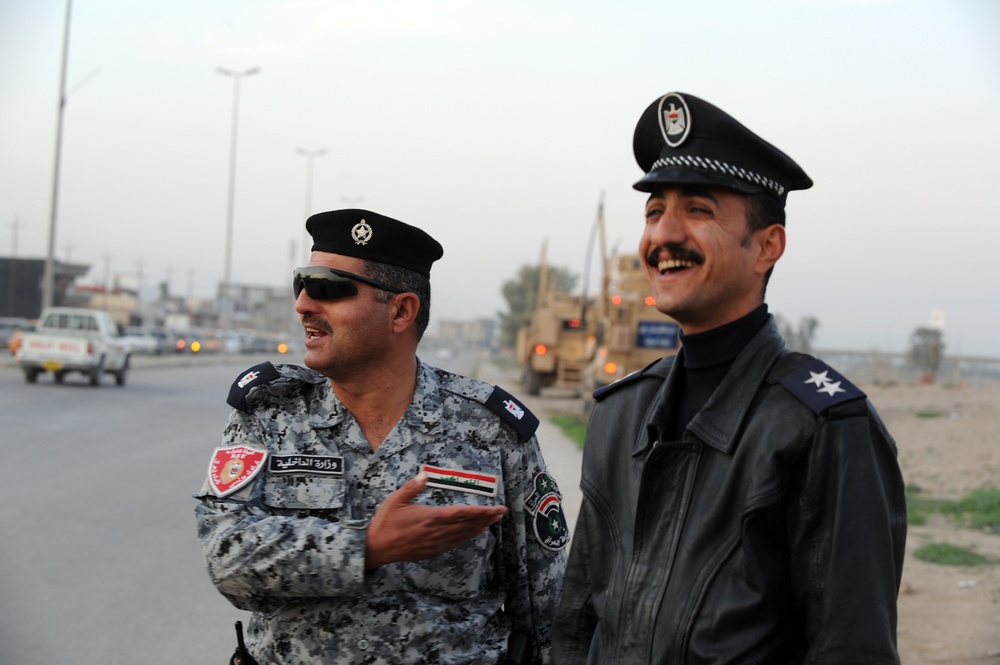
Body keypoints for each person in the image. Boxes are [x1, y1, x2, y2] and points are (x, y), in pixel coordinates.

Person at [552, 92, 906, 663]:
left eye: (698, 209)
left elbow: (853, 647)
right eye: (652, 211)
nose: (663, 235)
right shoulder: (620, 415)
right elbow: (574, 624)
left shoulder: (823, 428)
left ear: (767, 246)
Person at [195, 209, 568, 664]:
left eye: (328, 288)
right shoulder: (269, 415)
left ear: (401, 311)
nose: (303, 305)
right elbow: (228, 559)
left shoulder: (491, 431)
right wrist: (367, 546)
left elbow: (547, 606)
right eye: (301, 284)